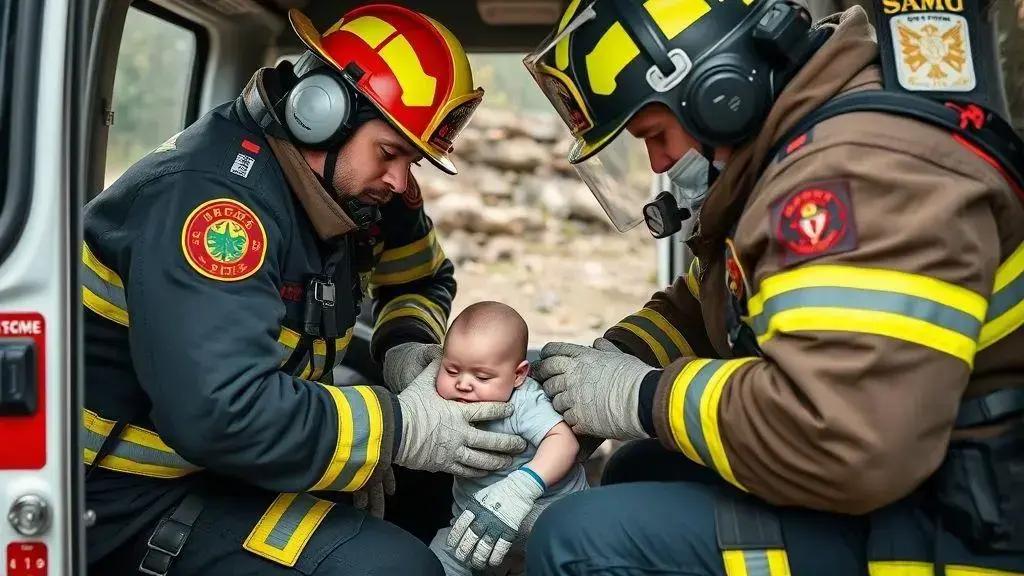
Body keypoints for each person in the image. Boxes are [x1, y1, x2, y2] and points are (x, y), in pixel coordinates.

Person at [516, 0, 1024, 574]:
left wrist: (638, 396)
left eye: (654, 135)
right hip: (924, 484)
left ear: (719, 92)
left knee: (575, 540)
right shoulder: (796, 153)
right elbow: (712, 304)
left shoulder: (853, 173)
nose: (658, 162)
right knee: (640, 465)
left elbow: (842, 439)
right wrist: (608, 363)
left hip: (952, 526)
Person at [81, 5, 529, 575]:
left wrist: (406, 357)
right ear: (320, 112)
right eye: (390, 153)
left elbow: (423, 277)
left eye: (410, 159)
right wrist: (399, 429)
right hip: (132, 499)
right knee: (394, 569)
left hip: (245, 466)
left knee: (437, 490)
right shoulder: (215, 209)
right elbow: (223, 413)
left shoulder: (357, 189)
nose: (400, 179)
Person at [423, 302, 587, 576]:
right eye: (452, 370)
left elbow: (563, 441)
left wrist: (521, 487)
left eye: (482, 376)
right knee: (435, 562)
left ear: (519, 375)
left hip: (545, 516)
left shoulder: (524, 402)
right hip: (475, 523)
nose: (463, 383)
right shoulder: (443, 398)